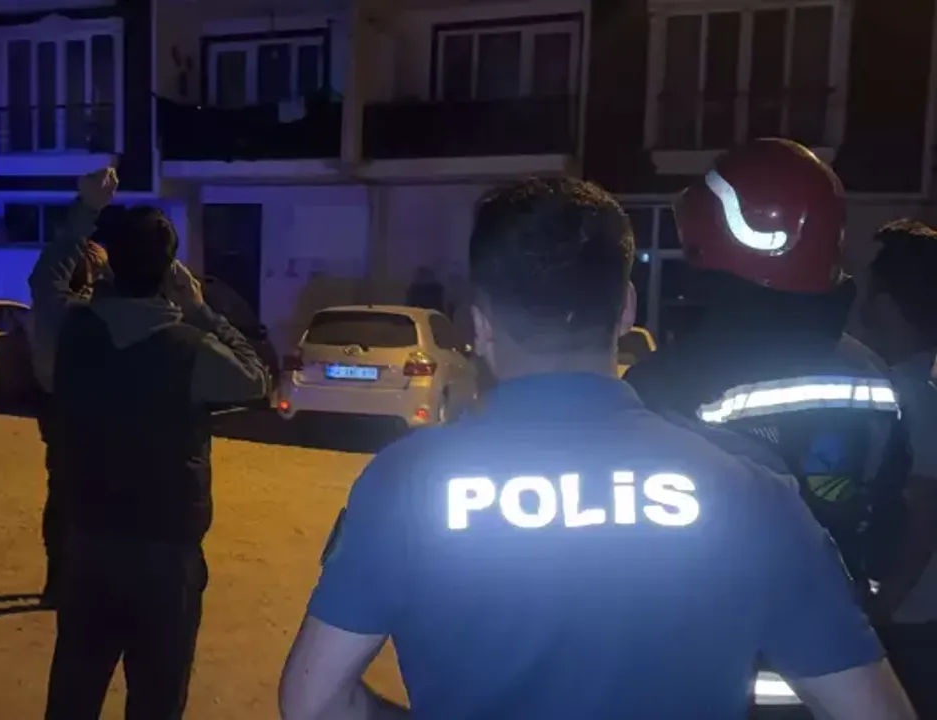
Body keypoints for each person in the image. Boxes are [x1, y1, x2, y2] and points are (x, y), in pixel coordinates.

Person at [278, 177, 915, 719]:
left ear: (481, 325)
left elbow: (311, 701)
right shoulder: (748, 487)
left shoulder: (404, 485)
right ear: (626, 309)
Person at [621, 139, 914, 609]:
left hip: (712, 633)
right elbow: (887, 526)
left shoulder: (664, 384)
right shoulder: (872, 373)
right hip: (837, 635)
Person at [43, 193, 269, 719]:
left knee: (73, 695)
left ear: (111, 265)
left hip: (89, 540)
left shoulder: (70, 332)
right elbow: (256, 377)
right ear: (170, 271)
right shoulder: (190, 348)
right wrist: (201, 310)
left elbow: (46, 280)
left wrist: (84, 211)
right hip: (165, 553)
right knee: (157, 699)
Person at [28, 168, 202, 605]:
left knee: (66, 495)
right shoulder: (92, 322)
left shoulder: (64, 319)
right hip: (105, 429)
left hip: (65, 417)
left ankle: (62, 581)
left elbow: (47, 280)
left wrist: (87, 212)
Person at [857, 219, 937, 716]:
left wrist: (881, 610)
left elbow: (923, 512)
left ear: (886, 305)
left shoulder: (911, 399)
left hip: (912, 628)